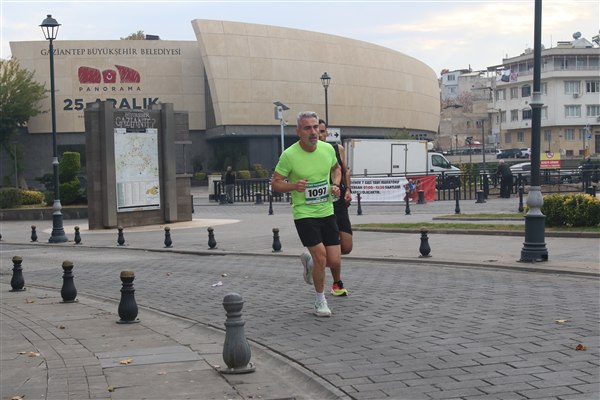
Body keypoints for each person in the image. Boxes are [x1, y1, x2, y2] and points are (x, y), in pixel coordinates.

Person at [271, 111, 342, 317]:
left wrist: (336, 185)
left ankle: (310, 263)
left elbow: (336, 169)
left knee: (333, 261)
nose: (313, 132)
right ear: (298, 131)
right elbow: (275, 183)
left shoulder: (327, 149)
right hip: (304, 213)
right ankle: (320, 301)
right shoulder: (289, 155)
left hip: (327, 211)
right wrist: (294, 186)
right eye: (307, 128)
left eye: (315, 127)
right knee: (321, 256)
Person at [299, 119, 352, 297]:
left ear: (327, 133)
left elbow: (344, 170)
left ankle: (314, 262)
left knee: (346, 247)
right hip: (321, 205)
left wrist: (348, 189)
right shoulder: (308, 152)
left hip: (338, 202)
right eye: (316, 130)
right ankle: (337, 283)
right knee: (328, 247)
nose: (319, 134)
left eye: (322, 131)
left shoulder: (336, 149)